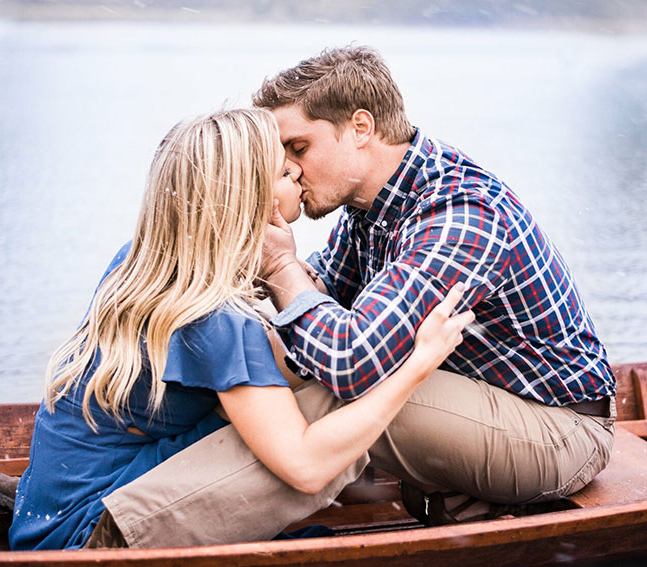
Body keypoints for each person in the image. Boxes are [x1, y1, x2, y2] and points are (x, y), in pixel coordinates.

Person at [7, 108, 473, 550]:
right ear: (259, 203)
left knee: (298, 392)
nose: (300, 176)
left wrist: (281, 274)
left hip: (41, 524)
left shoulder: (148, 264)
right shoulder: (220, 318)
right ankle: (446, 504)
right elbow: (306, 467)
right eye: (288, 174)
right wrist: (418, 364)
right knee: (326, 409)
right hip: (95, 538)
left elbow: (272, 364)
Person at [250, 45, 618, 524]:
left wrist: (281, 267)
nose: (291, 170)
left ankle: (177, 529)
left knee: (327, 396)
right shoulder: (370, 206)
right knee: (266, 364)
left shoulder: (460, 213)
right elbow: (318, 299)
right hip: (474, 401)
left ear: (361, 129)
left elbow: (351, 362)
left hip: (559, 428)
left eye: (298, 149)